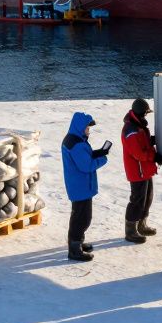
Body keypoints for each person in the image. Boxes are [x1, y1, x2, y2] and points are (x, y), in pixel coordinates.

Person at [61, 111, 111, 262]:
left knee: (80, 216)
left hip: (79, 185)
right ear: (80, 127)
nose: (88, 131)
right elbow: (86, 165)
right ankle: (74, 250)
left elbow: (85, 157)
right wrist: (102, 158)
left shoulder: (75, 139)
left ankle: (77, 243)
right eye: (87, 128)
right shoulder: (76, 144)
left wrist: (97, 152)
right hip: (80, 186)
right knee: (82, 218)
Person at [121, 97, 162, 243]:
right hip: (137, 171)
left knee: (147, 198)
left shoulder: (138, 126)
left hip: (145, 169)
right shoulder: (131, 130)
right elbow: (138, 153)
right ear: (140, 113)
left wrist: (151, 141)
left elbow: (143, 144)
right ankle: (130, 230)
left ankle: (141, 225)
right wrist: (155, 157)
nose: (146, 115)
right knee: (137, 200)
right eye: (145, 113)